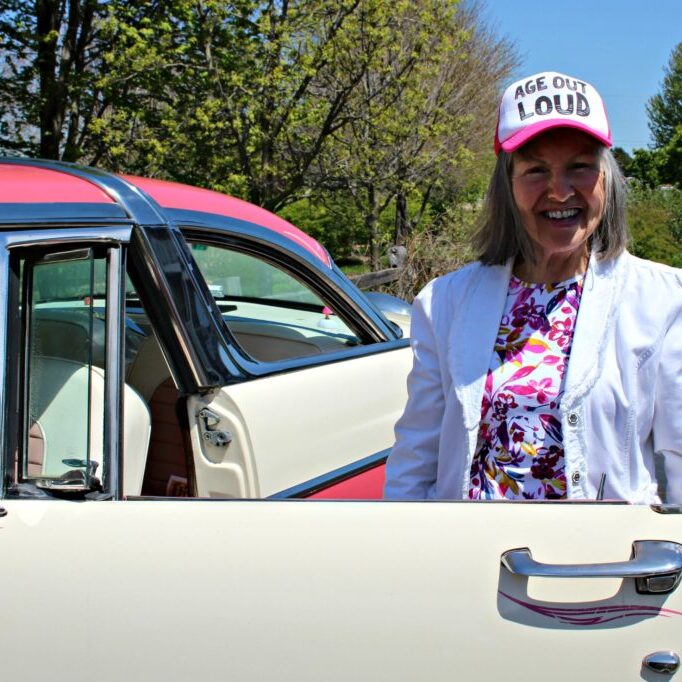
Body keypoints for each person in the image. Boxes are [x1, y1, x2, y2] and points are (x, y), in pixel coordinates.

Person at [384, 71, 682, 504]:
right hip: (468, 562)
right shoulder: (445, 303)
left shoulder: (664, 299)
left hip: (602, 564)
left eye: (579, 166)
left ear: (606, 178)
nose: (559, 192)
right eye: (536, 170)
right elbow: (415, 459)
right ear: (507, 184)